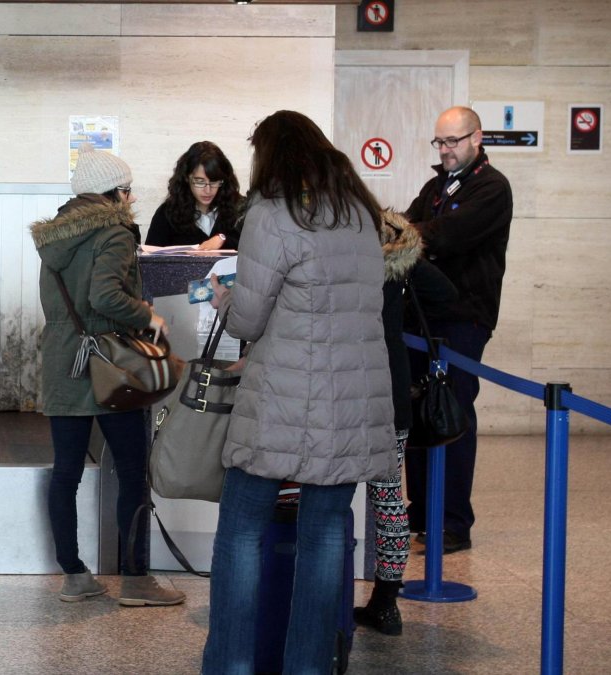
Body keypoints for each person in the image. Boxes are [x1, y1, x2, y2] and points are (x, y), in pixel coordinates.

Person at [200, 111, 395, 673]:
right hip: (351, 405)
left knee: (241, 528)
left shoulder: (272, 213)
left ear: (270, 156)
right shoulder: (358, 213)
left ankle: (231, 666)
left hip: (283, 402)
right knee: (326, 536)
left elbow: (249, 321)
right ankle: (308, 666)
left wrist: (224, 300)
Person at [30, 144, 185, 607]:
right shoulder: (113, 232)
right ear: (113, 193)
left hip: (64, 360)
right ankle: (136, 581)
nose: (132, 199)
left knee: (67, 473)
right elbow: (104, 296)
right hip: (111, 365)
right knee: (133, 473)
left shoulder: (57, 237)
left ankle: (74, 576)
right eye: (129, 191)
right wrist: (148, 317)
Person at [403, 105, 513, 555]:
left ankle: (452, 523)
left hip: (463, 319)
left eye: (452, 142)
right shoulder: (435, 186)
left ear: (476, 138)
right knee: (415, 414)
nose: (445, 150)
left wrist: (410, 235)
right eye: (439, 142)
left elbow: (444, 236)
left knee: (451, 413)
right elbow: (407, 227)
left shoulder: (492, 187)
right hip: (420, 319)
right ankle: (421, 512)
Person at [354, 209, 458, 636]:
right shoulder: (399, 261)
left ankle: (321, 595)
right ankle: (386, 603)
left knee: (326, 498)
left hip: (345, 392)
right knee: (390, 500)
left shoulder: (342, 258)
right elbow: (446, 295)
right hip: (390, 392)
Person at [144, 141, 243, 250]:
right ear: (187, 178)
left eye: (214, 182)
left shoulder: (239, 209)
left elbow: (253, 248)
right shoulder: (167, 214)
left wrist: (223, 239)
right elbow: (150, 259)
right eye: (200, 182)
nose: (208, 190)